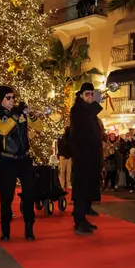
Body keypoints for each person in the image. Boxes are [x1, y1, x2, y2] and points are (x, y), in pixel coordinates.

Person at [0, 87, 43, 241]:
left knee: (29, 194)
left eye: (13, 97)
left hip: (24, 159)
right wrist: (17, 114)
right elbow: (3, 130)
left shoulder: (19, 114)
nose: (12, 100)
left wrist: (31, 115)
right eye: (8, 97)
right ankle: (5, 231)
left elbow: (39, 128)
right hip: (7, 160)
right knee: (6, 196)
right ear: (1, 99)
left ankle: (29, 229)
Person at [69, 83, 103, 236]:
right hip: (82, 157)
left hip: (92, 157)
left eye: (92, 94)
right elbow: (84, 120)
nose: (90, 97)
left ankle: (83, 218)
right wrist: (96, 103)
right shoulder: (77, 110)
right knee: (81, 190)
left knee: (88, 189)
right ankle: (79, 221)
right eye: (87, 94)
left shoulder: (90, 112)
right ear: (81, 95)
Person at [57, 126, 72, 195]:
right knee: (66, 171)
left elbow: (60, 147)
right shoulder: (69, 138)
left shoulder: (61, 138)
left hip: (63, 156)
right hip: (66, 156)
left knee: (63, 171)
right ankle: (66, 184)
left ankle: (63, 184)